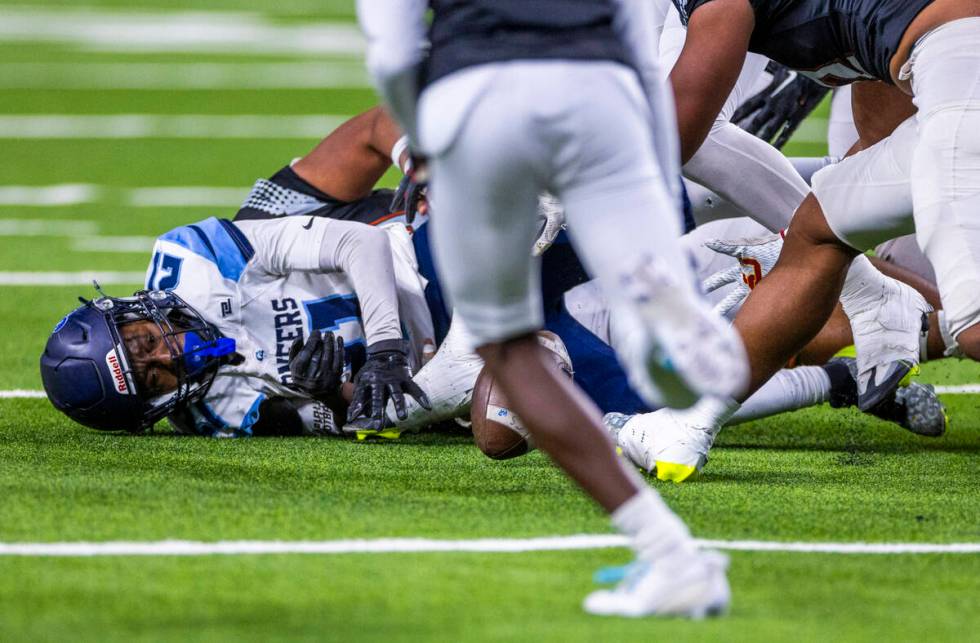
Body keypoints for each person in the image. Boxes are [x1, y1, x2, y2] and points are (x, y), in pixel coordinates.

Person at [359, 0, 751, 619]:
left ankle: (673, 558)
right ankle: (667, 335)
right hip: (605, 90)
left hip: (479, 96)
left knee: (506, 350)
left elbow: (392, 50)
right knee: (640, 276)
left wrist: (426, 143)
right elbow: (638, 30)